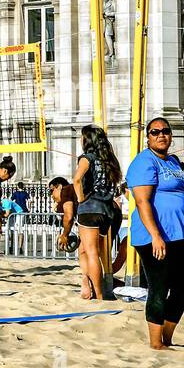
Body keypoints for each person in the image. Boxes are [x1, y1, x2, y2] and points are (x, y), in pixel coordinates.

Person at [126, 119, 184, 350]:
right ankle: (156, 343)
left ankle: (166, 336)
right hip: (153, 235)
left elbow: (183, 201)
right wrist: (155, 235)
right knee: (159, 286)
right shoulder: (143, 162)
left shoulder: (174, 162)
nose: (161, 135)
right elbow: (142, 201)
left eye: (165, 131)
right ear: (148, 137)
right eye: (155, 132)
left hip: (179, 234)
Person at [72, 125, 123, 300]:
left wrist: (80, 200)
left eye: (82, 137)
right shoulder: (109, 160)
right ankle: (86, 282)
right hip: (107, 210)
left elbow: (76, 180)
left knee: (91, 252)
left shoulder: (87, 158)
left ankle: (99, 294)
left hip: (90, 208)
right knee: (85, 250)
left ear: (87, 140)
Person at [49, 176, 79, 259]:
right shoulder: (72, 190)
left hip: (93, 215)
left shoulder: (66, 191)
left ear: (59, 186)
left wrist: (65, 235)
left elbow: (69, 216)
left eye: (52, 190)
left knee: (86, 251)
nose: (51, 195)